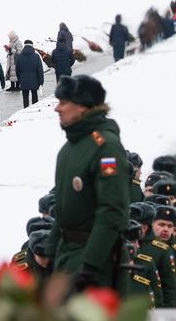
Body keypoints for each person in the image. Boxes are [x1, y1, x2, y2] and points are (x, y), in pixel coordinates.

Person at [47, 76, 130, 292]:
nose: (57, 109)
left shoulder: (105, 147)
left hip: (90, 257)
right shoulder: (70, 148)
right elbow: (63, 210)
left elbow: (112, 210)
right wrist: (49, 253)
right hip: (66, 254)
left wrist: (90, 264)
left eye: (64, 103)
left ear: (83, 107)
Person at [15, 39, 45, 108]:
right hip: (34, 80)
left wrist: (20, 79)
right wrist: (41, 81)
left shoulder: (20, 57)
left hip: (23, 80)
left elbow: (17, 70)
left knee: (25, 97)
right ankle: (34, 110)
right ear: (32, 46)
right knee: (34, 96)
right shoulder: (36, 56)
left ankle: (25, 110)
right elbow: (40, 70)